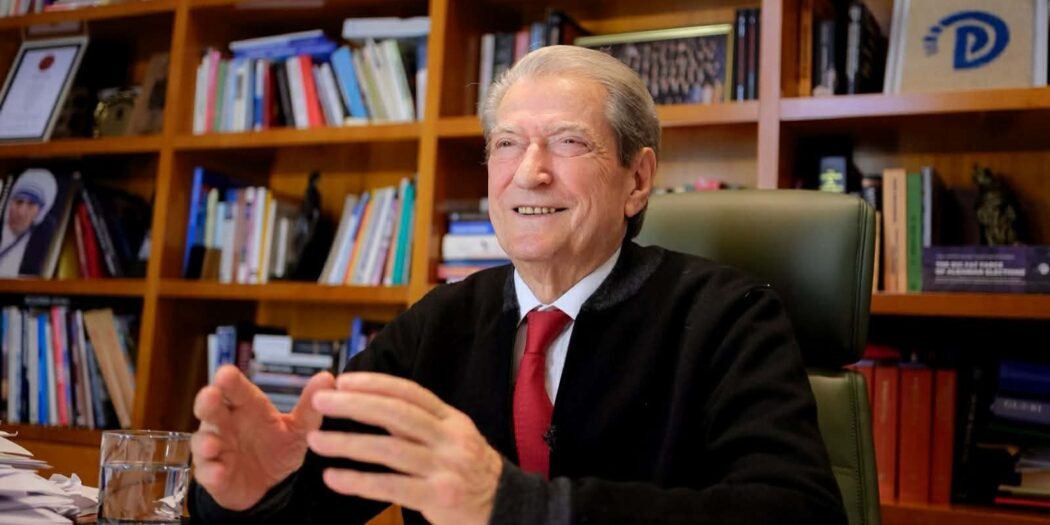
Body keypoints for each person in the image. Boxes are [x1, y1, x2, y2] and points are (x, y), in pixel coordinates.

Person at [190, 45, 846, 524]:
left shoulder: (730, 316)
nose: (528, 172)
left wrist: (515, 506)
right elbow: (316, 496)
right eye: (506, 144)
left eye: (567, 142)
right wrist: (251, 494)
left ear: (638, 179)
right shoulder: (438, 323)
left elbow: (797, 511)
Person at [0, 168, 58, 277]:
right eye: (18, 201)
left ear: (41, 212)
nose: (21, 212)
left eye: (31, 204)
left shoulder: (44, 244)